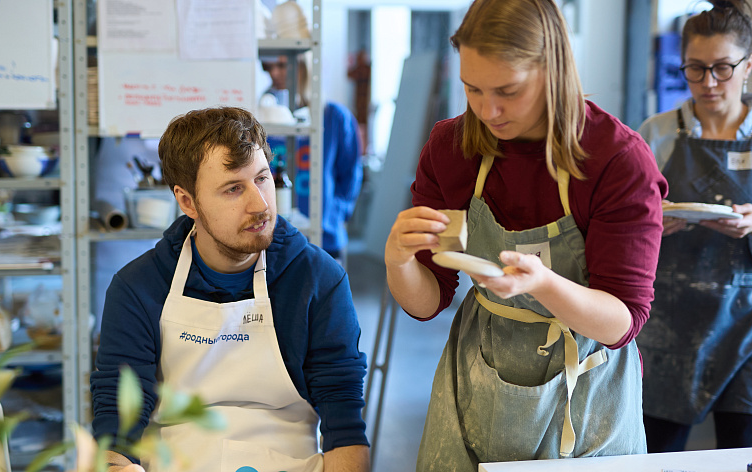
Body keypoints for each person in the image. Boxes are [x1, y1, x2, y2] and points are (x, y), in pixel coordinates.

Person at [384, 0, 667, 469]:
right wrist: (400, 261)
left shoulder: (616, 161)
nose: (488, 110)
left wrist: (542, 284)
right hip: (479, 375)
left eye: (508, 91)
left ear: (552, 68)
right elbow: (429, 300)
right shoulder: (452, 150)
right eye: (472, 89)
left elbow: (622, 321)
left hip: (588, 390)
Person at [90, 106, 370, 472]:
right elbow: (118, 424)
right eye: (234, 188)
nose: (260, 204)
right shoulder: (138, 287)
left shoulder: (318, 280)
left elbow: (344, 423)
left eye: (263, 178)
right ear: (187, 201)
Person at [636, 0, 752, 451]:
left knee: (742, 453)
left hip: (747, 324)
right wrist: (649, 226)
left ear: (748, 66)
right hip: (669, 323)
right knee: (656, 455)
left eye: (722, 68)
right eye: (695, 68)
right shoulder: (655, 134)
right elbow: (619, 221)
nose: (708, 82)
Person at [261, 54, 363, 261]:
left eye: (282, 65)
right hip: (272, 238)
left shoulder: (335, 117)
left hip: (324, 237)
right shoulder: (261, 118)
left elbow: (350, 174)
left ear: (304, 66)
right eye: (268, 66)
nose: (274, 73)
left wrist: (334, 215)